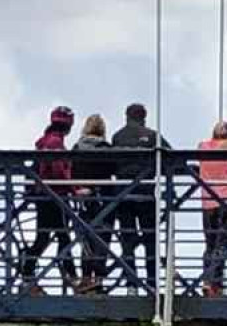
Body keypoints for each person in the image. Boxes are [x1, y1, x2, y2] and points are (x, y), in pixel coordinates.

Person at [112, 103, 170, 288]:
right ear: (144, 116)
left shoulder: (117, 137)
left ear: (126, 116)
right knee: (150, 239)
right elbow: (172, 157)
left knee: (127, 240)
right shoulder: (152, 136)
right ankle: (152, 283)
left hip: (123, 195)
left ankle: (131, 284)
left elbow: (112, 163)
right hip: (145, 194)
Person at [21, 106, 78, 294]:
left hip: (43, 196)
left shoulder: (45, 141)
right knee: (63, 237)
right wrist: (75, 189)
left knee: (44, 238)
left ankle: (27, 274)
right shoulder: (55, 143)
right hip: (55, 196)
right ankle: (73, 277)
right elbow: (58, 172)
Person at [73, 114, 117, 294]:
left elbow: (72, 170)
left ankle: (85, 278)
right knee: (103, 238)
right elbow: (114, 169)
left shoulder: (76, 148)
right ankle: (98, 279)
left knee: (85, 240)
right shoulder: (107, 149)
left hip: (83, 199)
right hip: (104, 198)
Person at [197, 121, 227, 297]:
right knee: (222, 245)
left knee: (210, 244)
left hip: (207, 200)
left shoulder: (202, 146)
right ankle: (216, 283)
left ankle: (208, 281)